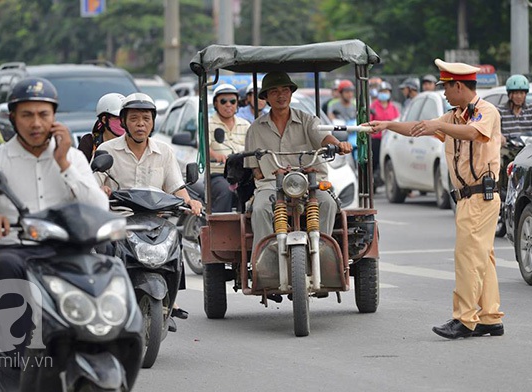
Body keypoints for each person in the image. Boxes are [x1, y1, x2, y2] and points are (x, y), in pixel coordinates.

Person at [0, 77, 109, 358]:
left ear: (54, 118)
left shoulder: (73, 158)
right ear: (13, 118)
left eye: (43, 115)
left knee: (108, 275)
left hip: (67, 250)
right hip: (15, 249)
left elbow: (99, 206)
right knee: (3, 267)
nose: (36, 123)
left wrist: (64, 164)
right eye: (27, 115)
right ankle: (17, 355)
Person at [367, 59, 504, 340]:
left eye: (446, 88)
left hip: (480, 195)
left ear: (458, 86)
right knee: (483, 257)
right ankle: (490, 317)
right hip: (467, 198)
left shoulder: (485, 112)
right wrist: (388, 124)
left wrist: (436, 125)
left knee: (468, 258)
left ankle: (464, 320)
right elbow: (418, 127)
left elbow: (472, 133)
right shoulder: (453, 116)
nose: (443, 93)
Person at [95, 92, 202, 319]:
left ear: (153, 122)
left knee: (174, 238)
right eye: (134, 118)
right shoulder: (108, 150)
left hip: (155, 219)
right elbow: (92, 185)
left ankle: (171, 299)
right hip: (118, 219)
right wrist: (101, 190)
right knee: (104, 248)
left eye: (146, 118)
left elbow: (176, 187)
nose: (140, 124)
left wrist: (190, 201)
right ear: (123, 122)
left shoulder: (164, 151)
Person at [244, 71, 352, 251]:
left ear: (291, 93)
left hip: (309, 184)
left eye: (285, 90)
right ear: (267, 97)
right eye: (274, 92)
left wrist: (338, 145)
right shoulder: (255, 129)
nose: (281, 95)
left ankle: (322, 251)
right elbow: (254, 169)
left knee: (328, 203)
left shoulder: (308, 120)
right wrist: (270, 173)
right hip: (272, 185)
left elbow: (324, 137)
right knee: (261, 208)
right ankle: (265, 257)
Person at [208, 84, 251, 212]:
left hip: (243, 175)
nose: (228, 105)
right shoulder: (208, 124)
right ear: (216, 103)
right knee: (226, 191)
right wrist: (217, 156)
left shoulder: (245, 125)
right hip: (218, 174)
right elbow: (203, 148)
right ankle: (219, 228)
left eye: (232, 101)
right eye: (223, 101)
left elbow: (252, 148)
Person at [78, 93, 126, 162]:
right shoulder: (89, 142)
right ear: (104, 119)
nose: (122, 122)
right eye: (117, 118)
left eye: (125, 117)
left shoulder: (132, 142)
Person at [369, 81, 400, 187]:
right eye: (382, 91)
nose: (384, 93)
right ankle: (372, 184)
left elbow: (397, 121)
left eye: (386, 91)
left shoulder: (393, 107)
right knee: (375, 161)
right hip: (377, 139)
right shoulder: (373, 106)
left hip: (390, 139)